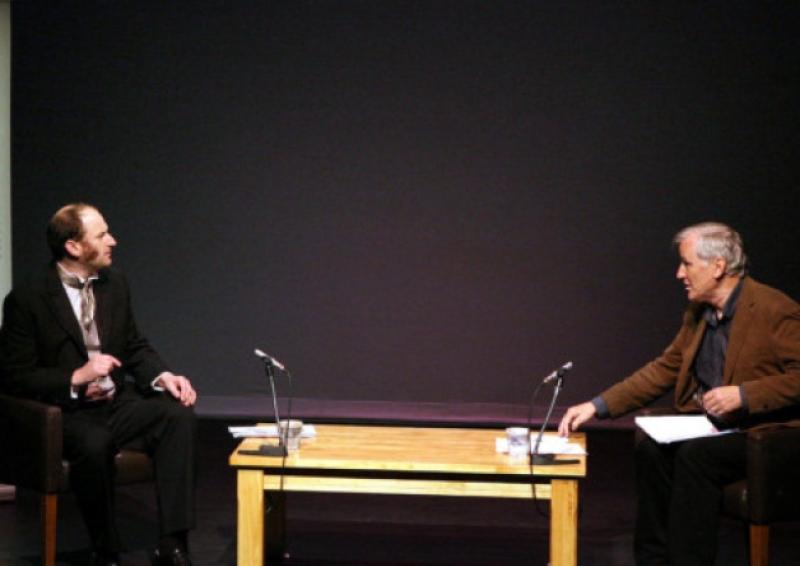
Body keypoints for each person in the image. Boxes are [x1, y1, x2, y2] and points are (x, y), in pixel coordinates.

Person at [558, 222, 800, 566]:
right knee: (651, 446)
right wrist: (597, 406)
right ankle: (652, 560)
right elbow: (665, 369)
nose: (679, 273)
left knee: (696, 456)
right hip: (717, 426)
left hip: (764, 433)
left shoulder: (773, 309)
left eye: (686, 263)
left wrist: (745, 395)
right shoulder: (698, 313)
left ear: (718, 267)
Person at [0, 203, 198, 566]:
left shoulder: (114, 284)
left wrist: (162, 375)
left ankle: (173, 543)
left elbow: (134, 344)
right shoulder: (27, 300)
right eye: (102, 235)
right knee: (95, 442)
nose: (113, 241)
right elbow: (14, 375)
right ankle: (106, 549)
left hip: (115, 403)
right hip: (68, 412)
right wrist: (75, 378)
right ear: (73, 247)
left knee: (176, 415)